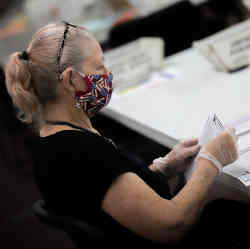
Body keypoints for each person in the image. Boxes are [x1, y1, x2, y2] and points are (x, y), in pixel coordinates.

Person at [4, 21, 250, 248]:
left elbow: (109, 189)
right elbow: (172, 224)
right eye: (99, 66)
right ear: (71, 80)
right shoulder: (80, 152)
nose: (108, 73)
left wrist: (164, 167)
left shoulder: (54, 137)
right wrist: (211, 161)